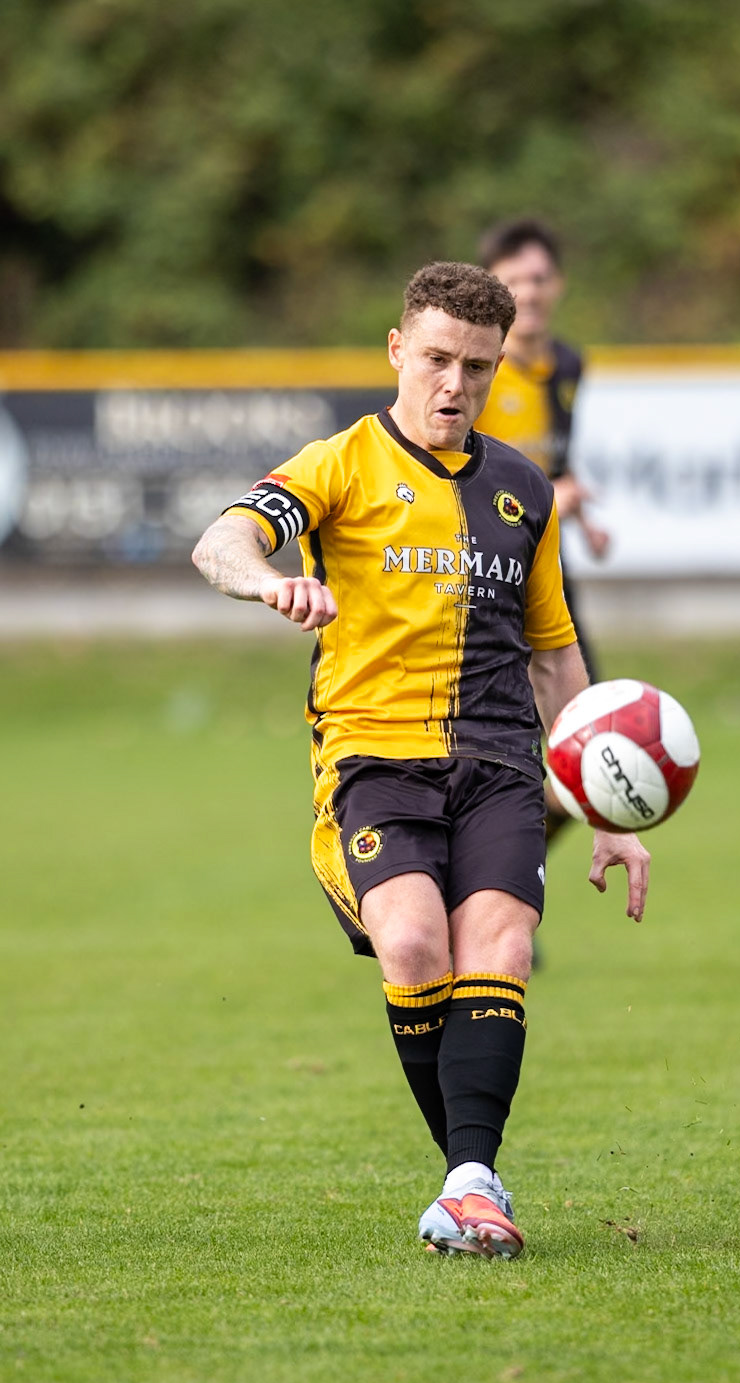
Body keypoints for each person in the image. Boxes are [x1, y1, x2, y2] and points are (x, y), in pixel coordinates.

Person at [191, 261, 650, 1261]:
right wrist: (268, 584)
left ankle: (470, 1184)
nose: (455, 385)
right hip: (373, 760)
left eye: (476, 368)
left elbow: (556, 659)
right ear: (399, 349)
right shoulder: (340, 465)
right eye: (437, 359)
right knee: (411, 947)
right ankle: (474, 1174)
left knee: (504, 950)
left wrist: (605, 804)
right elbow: (218, 544)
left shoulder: (523, 491)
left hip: (497, 762)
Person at [476, 220, 609, 873]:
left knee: (585, 750)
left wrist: (581, 517)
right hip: (483, 584)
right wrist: (556, 497)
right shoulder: (473, 371)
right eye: (515, 278)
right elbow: (471, 483)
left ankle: (505, 879)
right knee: (503, 754)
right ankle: (489, 886)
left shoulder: (570, 365)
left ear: (557, 284)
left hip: (548, 578)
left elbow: (550, 471)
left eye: (538, 277)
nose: (529, 290)